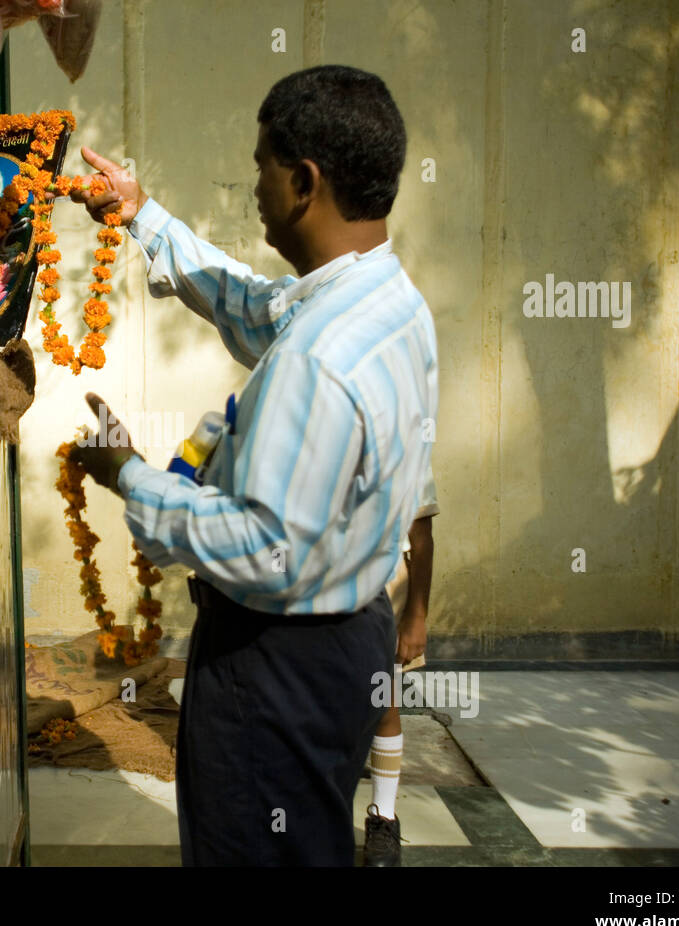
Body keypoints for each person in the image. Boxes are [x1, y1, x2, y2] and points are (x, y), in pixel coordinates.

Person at [64, 65, 438, 866]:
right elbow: (252, 305)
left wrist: (128, 473)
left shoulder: (321, 356)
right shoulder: (382, 301)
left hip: (278, 665)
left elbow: (266, 549)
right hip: (345, 644)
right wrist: (142, 217)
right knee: (305, 842)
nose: (253, 184)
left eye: (262, 163)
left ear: (302, 182)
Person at [364, 468, 439, 867]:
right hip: (321, 594)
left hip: (383, 591)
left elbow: (421, 540)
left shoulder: (405, 443)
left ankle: (383, 815)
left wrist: (416, 616)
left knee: (384, 701)